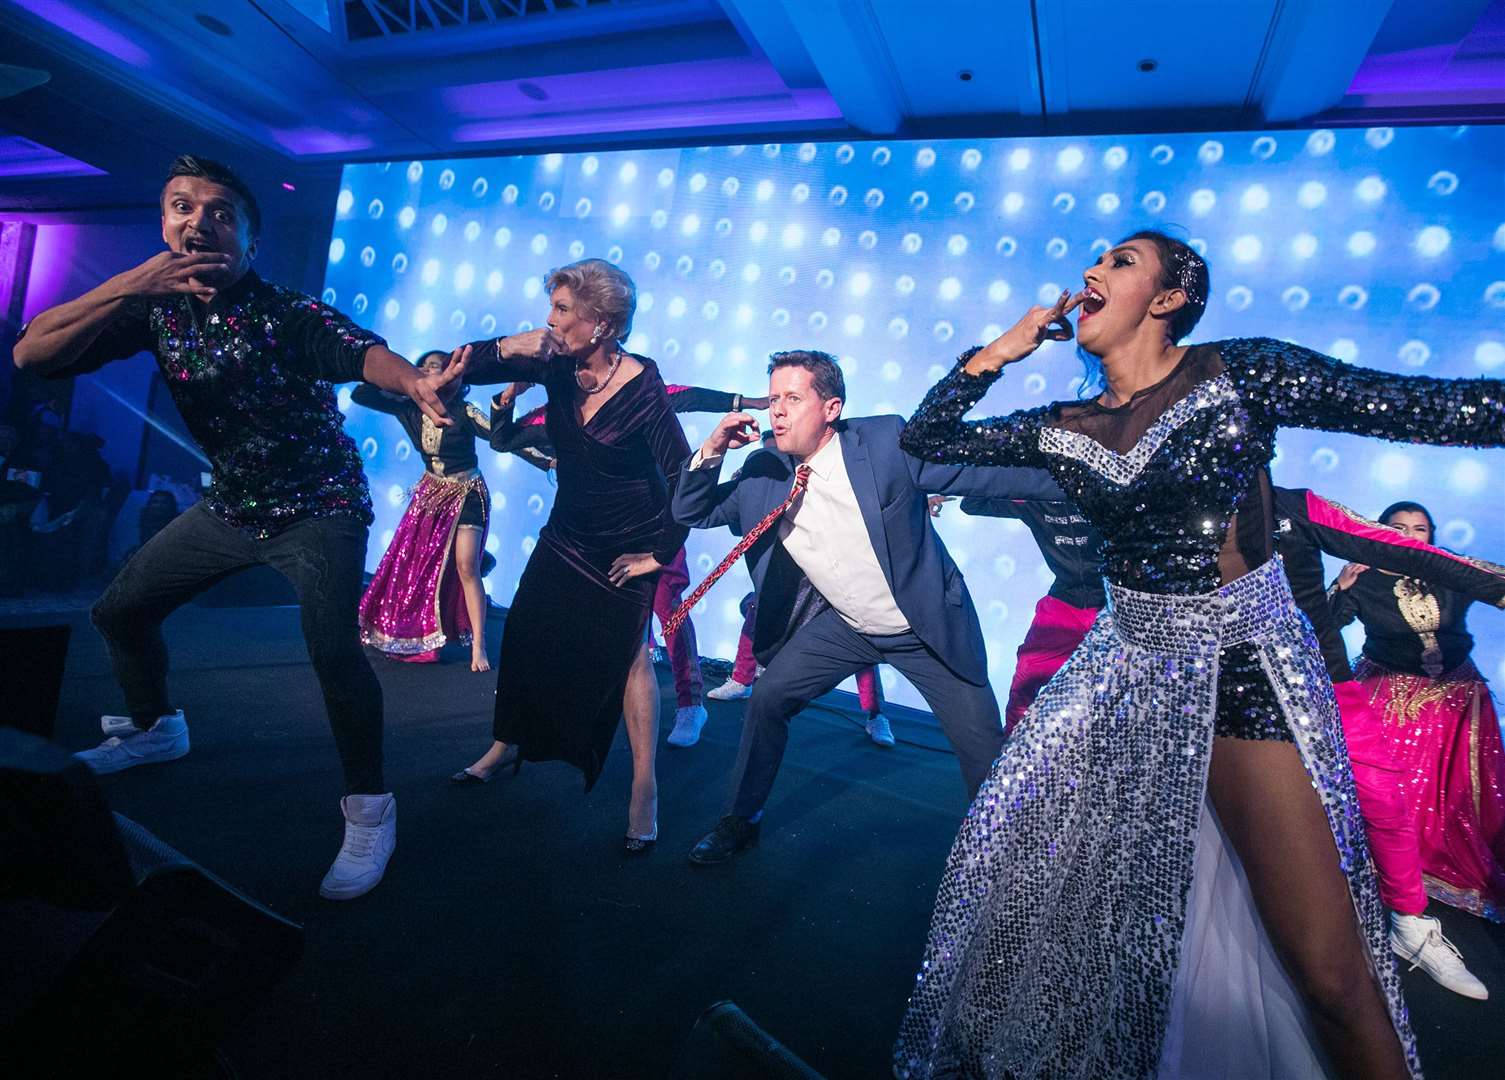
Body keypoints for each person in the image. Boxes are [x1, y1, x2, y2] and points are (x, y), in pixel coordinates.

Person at [894, 230, 1505, 1079]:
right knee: (1066, 916)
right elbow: (926, 438)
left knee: (1324, 967)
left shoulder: (1237, 372)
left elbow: (1414, 406)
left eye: (1119, 262)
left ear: (1169, 297)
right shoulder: (1063, 426)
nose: (1089, 272)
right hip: (1121, 679)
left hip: (1236, 672)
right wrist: (1001, 350)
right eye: (1093, 262)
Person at [10, 154, 465, 900]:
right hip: (232, 505)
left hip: (319, 502)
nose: (199, 221)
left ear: (249, 242)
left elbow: (358, 351)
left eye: (222, 212)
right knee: (118, 611)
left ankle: (370, 807)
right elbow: (31, 351)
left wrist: (414, 380)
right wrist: (134, 282)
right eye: (182, 206)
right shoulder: (152, 309)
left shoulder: (283, 311)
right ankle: (157, 726)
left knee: (331, 651)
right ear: (164, 226)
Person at [671, 349, 1067, 865]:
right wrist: (712, 449)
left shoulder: (883, 443)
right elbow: (691, 510)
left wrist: (1082, 486)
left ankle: (1007, 860)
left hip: (923, 627)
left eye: (793, 398)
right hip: (847, 626)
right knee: (768, 697)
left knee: (984, 751)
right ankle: (741, 819)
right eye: (773, 400)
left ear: (831, 407)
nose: (778, 412)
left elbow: (979, 476)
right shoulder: (762, 473)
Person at [450, 258, 691, 855]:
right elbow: (460, 366)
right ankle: (507, 743)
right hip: (568, 529)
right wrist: (509, 345)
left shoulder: (643, 384)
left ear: (602, 324)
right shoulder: (553, 359)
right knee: (527, 631)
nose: (549, 321)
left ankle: (643, 786)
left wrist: (658, 554)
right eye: (551, 307)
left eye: (562, 310)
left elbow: (683, 477)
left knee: (630, 658)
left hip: (627, 540)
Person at [488, 381, 770, 748]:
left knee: (669, 608)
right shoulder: (556, 415)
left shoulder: (637, 394)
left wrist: (751, 401)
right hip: (598, 532)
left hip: (656, 524)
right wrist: (510, 393)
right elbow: (503, 439)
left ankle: (690, 704)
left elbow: (691, 396)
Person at [1331, 499, 1505, 929]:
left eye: (1420, 528)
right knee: (1396, 791)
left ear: (1431, 535)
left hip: (1456, 696)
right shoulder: (1364, 577)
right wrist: (1340, 587)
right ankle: (1396, 878)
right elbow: (1326, 624)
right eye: (1400, 527)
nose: (1410, 536)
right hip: (1391, 692)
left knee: (1460, 796)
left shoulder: (1450, 571)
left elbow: (1494, 585)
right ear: (1381, 530)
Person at [352, 352, 507, 671]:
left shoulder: (463, 412)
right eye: (423, 368)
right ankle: (412, 631)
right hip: (431, 493)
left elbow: (503, 437)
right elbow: (361, 393)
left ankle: (479, 645)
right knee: (414, 565)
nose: (428, 372)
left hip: (466, 493)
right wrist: (404, 382)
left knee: (466, 565)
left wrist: (549, 458)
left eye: (436, 368)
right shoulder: (409, 408)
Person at [951, 495, 1105, 732]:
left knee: (1118, 685)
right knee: (1027, 673)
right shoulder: (1033, 495)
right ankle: (1012, 747)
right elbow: (974, 503)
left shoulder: (1102, 491)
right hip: (1065, 602)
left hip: (1113, 604)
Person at [705, 590, 896, 745]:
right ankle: (741, 681)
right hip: (796, 569)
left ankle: (876, 714)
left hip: (835, 578)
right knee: (758, 604)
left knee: (858, 634)